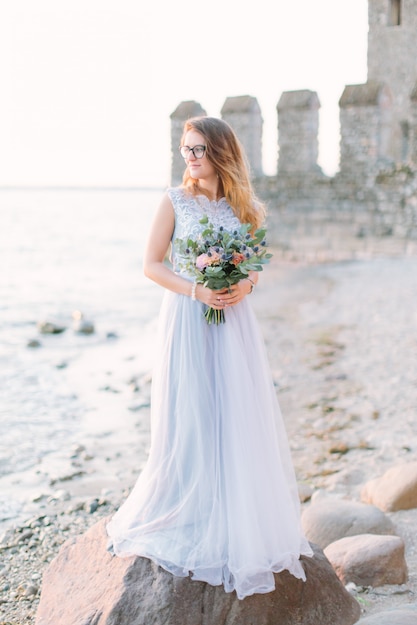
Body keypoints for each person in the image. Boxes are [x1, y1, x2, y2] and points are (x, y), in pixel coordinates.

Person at [106, 116, 313, 600]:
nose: (191, 157)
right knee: (193, 411)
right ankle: (188, 506)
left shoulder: (244, 207)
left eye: (199, 149)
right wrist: (199, 289)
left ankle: (235, 514)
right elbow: (151, 264)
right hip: (189, 315)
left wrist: (241, 283)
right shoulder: (174, 200)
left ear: (221, 151)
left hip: (233, 321)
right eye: (186, 149)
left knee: (235, 412)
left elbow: (255, 266)